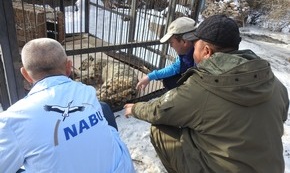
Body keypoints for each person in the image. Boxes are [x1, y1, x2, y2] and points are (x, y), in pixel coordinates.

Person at [124, 15, 289, 173]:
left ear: (207, 51)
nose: (193, 50)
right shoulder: (277, 85)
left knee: (160, 130)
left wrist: (136, 108)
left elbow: (159, 110)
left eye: (195, 46)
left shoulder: (202, 86)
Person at [0, 38, 135, 173]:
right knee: (103, 108)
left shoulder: (14, 119)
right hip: (124, 168)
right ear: (69, 66)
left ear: (26, 75)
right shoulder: (87, 91)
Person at [136, 17, 197, 91]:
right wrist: (150, 77)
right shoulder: (188, 53)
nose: (171, 46)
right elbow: (175, 68)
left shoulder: (202, 59)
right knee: (170, 80)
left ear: (184, 42)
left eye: (171, 43)